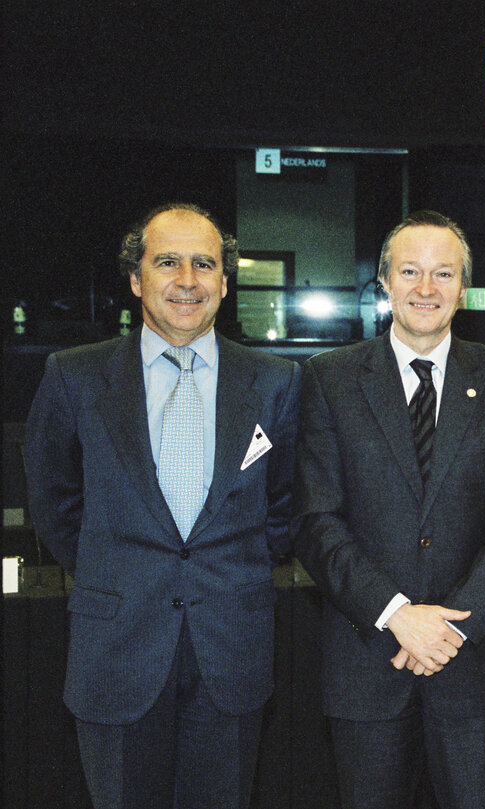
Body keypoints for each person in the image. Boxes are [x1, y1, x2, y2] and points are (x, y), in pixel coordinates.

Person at [23, 203, 302, 809]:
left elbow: (284, 506)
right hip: (117, 648)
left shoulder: (275, 382)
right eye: (167, 262)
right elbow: (53, 500)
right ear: (135, 278)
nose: (187, 280)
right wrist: (116, 571)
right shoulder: (75, 377)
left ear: (225, 283)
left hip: (231, 647)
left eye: (205, 264)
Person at [291, 210, 485, 809]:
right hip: (367, 661)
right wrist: (397, 613)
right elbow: (316, 520)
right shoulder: (330, 379)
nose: (426, 289)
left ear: (464, 288)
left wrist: (448, 628)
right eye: (410, 271)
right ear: (383, 282)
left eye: (443, 274)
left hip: (471, 666)